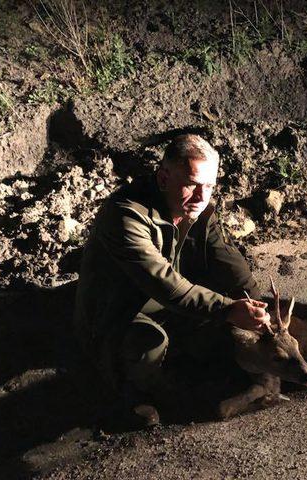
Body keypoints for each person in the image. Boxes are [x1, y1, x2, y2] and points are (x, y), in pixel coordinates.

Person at [74, 134, 270, 428]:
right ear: (164, 178)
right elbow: (165, 284)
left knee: (217, 323)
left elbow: (225, 258)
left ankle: (180, 364)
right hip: (120, 310)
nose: (202, 197)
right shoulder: (125, 215)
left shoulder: (197, 207)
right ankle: (128, 391)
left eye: (210, 186)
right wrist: (228, 309)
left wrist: (257, 301)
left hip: (166, 302)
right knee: (148, 344)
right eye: (192, 184)